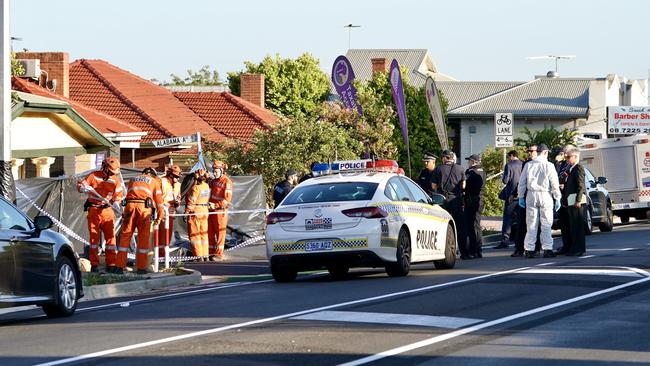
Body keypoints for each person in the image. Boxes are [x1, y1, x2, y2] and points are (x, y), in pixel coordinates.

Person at [76, 156, 123, 273]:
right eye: (111, 171)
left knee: (111, 239)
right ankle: (94, 264)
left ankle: (111, 264)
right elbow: (80, 185)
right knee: (94, 239)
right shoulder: (93, 175)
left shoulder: (115, 180)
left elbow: (118, 196)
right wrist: (83, 188)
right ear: (105, 167)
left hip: (108, 211)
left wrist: (117, 204)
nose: (112, 174)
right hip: (94, 210)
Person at [116, 167, 164, 274]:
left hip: (129, 207)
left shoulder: (133, 179)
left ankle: (119, 266)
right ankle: (141, 268)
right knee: (143, 238)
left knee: (125, 236)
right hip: (143, 209)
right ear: (152, 174)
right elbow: (159, 202)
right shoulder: (154, 181)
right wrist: (160, 216)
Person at [517, 144, 561, 258]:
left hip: (531, 194)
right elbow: (554, 183)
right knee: (546, 223)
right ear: (545, 152)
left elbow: (522, 182)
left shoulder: (529, 165)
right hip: (545, 194)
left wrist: (521, 196)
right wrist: (557, 197)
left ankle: (529, 249)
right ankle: (547, 249)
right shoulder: (549, 165)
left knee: (531, 223)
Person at [431, 150, 467, 258]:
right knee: (460, 226)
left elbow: (433, 186)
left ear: (445, 158)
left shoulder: (438, 169)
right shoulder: (460, 168)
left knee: (442, 225)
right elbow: (463, 185)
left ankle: (443, 252)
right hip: (456, 199)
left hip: (442, 200)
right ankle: (464, 252)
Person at [560, 146, 587, 256]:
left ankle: (579, 249)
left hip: (577, 201)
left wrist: (578, 200)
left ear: (575, 156)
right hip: (570, 200)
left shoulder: (579, 167)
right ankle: (574, 248)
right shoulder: (571, 168)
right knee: (573, 226)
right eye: (566, 157)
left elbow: (581, 185)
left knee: (578, 226)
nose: (567, 159)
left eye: (568, 157)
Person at [496, 150, 523, 249]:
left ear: (511, 156)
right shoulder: (523, 164)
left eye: (508, 157)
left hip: (511, 195)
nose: (508, 159)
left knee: (507, 218)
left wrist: (502, 177)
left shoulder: (509, 165)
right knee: (520, 218)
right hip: (521, 195)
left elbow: (505, 180)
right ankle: (519, 240)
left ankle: (505, 240)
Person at [208, 160, 233, 261]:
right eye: (213, 171)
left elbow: (227, 200)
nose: (214, 173)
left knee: (220, 233)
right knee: (210, 232)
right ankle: (210, 252)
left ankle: (218, 254)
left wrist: (215, 205)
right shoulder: (213, 182)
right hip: (211, 210)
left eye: (216, 171)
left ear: (222, 170)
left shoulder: (227, 182)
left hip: (220, 211)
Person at [186, 169, 211, 261]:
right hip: (205, 211)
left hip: (196, 211)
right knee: (204, 234)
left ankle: (198, 256)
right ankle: (205, 255)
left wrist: (187, 212)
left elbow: (192, 201)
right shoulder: (206, 186)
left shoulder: (195, 188)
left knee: (195, 234)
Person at [464, 154, 486, 259]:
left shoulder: (470, 172)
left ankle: (472, 249)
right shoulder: (482, 171)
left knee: (470, 225)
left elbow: (464, 185)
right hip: (480, 200)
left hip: (471, 200)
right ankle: (479, 249)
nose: (468, 163)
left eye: (469, 161)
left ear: (473, 161)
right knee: (477, 225)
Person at [158, 165, 181, 256]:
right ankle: (160, 255)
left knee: (167, 235)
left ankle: (164, 255)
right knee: (160, 235)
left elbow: (178, 198)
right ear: (170, 175)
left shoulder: (178, 185)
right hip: (162, 212)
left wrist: (177, 203)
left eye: (178, 177)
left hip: (171, 213)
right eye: (175, 176)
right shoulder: (162, 181)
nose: (177, 179)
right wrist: (164, 203)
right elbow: (156, 196)